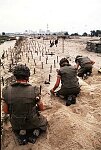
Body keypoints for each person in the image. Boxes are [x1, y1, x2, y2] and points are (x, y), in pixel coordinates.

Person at [2, 64, 47, 145]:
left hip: (16, 123)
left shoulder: (6, 91)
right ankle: (34, 134)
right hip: (33, 122)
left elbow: (5, 111)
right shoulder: (34, 90)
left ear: (15, 77)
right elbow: (41, 108)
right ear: (27, 77)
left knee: (17, 125)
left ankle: (22, 135)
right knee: (44, 121)